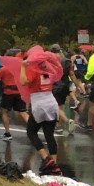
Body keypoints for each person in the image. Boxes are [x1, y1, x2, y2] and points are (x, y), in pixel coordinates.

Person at [18, 46, 64, 175]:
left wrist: (22, 67)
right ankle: (54, 164)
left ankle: (45, 158)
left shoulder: (33, 69)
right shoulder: (47, 69)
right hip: (51, 101)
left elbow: (23, 81)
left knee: (31, 131)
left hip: (39, 103)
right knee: (49, 134)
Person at [0, 53, 27, 142]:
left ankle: (7, 133)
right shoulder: (21, 68)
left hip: (8, 93)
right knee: (23, 112)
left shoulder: (5, 69)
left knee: (4, 111)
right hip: (20, 92)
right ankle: (33, 130)